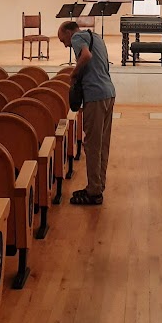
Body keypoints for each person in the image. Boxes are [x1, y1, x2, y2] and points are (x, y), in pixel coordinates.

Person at [57, 20, 116, 205]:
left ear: (69, 32)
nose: (65, 44)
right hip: (109, 93)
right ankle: (97, 186)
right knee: (102, 144)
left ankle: (93, 192)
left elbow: (86, 55)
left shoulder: (77, 38)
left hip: (95, 95)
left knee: (91, 145)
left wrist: (74, 74)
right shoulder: (96, 37)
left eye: (63, 40)